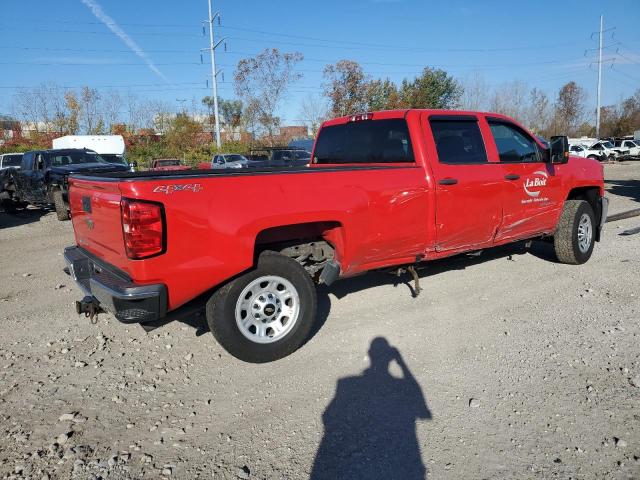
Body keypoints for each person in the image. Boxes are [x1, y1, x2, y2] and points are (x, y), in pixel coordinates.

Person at [311, 337, 431, 479]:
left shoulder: (346, 384)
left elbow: (327, 416)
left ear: (369, 353)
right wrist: (402, 364)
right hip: (401, 457)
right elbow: (421, 409)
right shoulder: (398, 384)